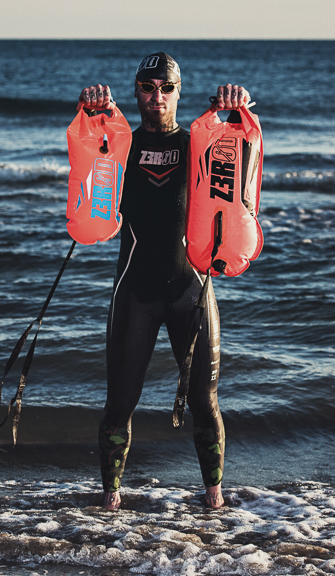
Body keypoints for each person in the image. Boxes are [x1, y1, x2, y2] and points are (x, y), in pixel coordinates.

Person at [79, 52, 250, 510]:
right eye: (148, 88)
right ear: (136, 92)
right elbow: (88, 177)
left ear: (178, 92)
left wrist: (238, 111)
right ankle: (109, 505)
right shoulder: (119, 148)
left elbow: (240, 169)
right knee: (120, 404)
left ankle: (215, 500)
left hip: (189, 291)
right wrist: (93, 115)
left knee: (204, 402)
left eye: (167, 88)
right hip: (134, 293)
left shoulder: (199, 145)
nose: (157, 98)